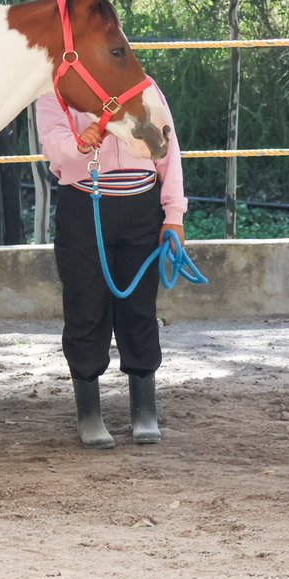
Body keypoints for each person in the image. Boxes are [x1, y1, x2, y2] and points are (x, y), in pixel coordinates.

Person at [36, 89, 188, 449]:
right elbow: (54, 144)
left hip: (141, 210)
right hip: (84, 207)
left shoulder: (143, 87)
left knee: (139, 307)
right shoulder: (56, 95)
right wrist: (80, 145)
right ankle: (89, 414)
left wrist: (174, 215)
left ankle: (144, 410)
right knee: (85, 307)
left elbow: (168, 149)